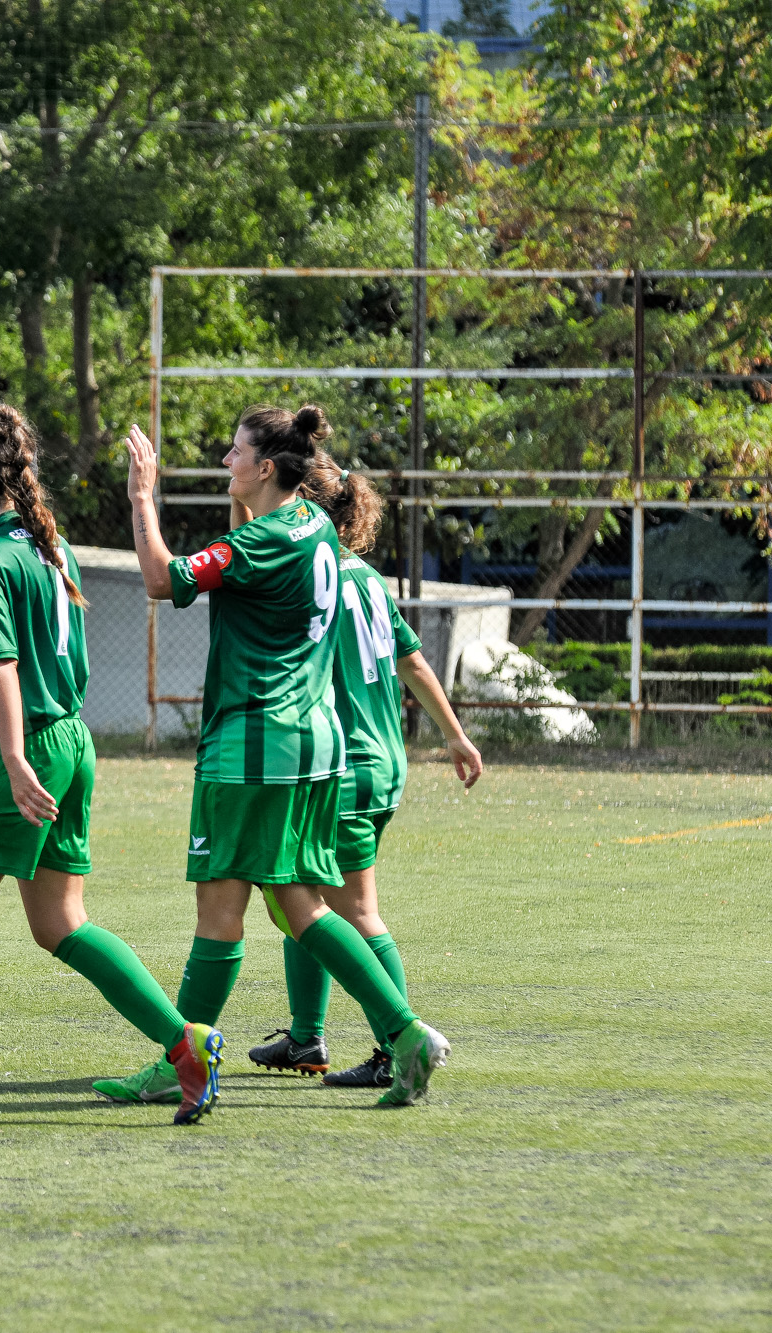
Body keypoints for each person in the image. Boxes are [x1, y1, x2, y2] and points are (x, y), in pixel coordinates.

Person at [0, 405, 224, 1125]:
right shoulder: (46, 551)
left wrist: (10, 755)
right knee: (61, 923)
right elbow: (26, 658)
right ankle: (185, 1041)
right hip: (69, 739)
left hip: (20, 747)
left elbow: (2, 663)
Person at [92, 403, 450, 1109]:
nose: (224, 460)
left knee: (221, 911)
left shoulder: (264, 544)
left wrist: (141, 498)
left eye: (233, 452)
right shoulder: (312, 525)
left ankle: (181, 1061)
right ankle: (405, 1035)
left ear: (264, 468)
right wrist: (236, 500)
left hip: (254, 746)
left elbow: (164, 581)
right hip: (311, 743)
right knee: (300, 904)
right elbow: (241, 550)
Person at [242, 457, 483, 1087]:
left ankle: (393, 1045)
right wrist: (455, 734)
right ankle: (305, 1038)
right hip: (382, 760)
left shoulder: (311, 580)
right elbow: (413, 662)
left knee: (346, 909)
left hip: (342, 765)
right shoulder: (369, 581)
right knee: (299, 890)